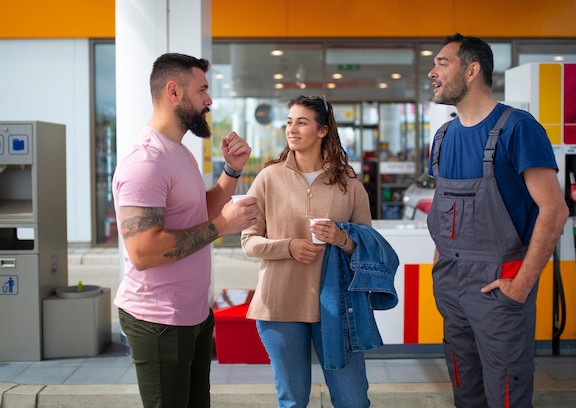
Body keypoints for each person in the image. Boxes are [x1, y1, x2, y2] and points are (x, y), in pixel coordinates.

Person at [426, 34, 569, 408]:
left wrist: (522, 284)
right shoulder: (443, 138)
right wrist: (443, 267)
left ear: (472, 70)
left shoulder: (517, 128)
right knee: (464, 387)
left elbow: (555, 210)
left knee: (506, 393)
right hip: (452, 287)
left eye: (442, 63)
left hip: (499, 285)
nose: (432, 72)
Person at [112, 52, 259, 408]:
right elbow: (144, 252)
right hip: (159, 321)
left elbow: (197, 211)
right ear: (174, 91)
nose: (209, 100)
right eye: (203, 90)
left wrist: (232, 171)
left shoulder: (179, 152)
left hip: (192, 314)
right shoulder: (146, 161)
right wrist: (223, 225)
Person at [241, 95, 379, 408]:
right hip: (279, 305)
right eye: (289, 122)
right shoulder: (267, 178)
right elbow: (248, 241)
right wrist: (287, 247)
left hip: (339, 308)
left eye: (302, 122)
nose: (292, 129)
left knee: (354, 401)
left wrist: (342, 238)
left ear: (322, 130)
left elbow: (368, 245)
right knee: (292, 401)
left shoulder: (349, 183)